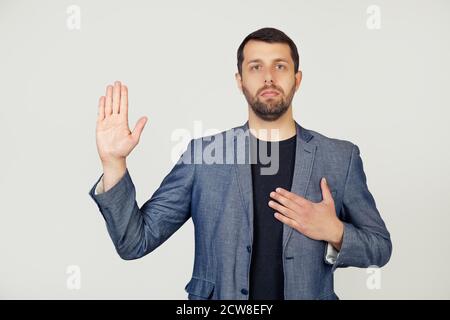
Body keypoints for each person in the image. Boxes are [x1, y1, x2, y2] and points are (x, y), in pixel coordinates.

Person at [89, 27, 392, 300]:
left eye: (280, 66)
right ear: (240, 80)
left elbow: (379, 247)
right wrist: (114, 164)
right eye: (256, 67)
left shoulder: (340, 157)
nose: (269, 77)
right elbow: (134, 242)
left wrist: (335, 231)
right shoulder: (203, 156)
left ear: (297, 80)